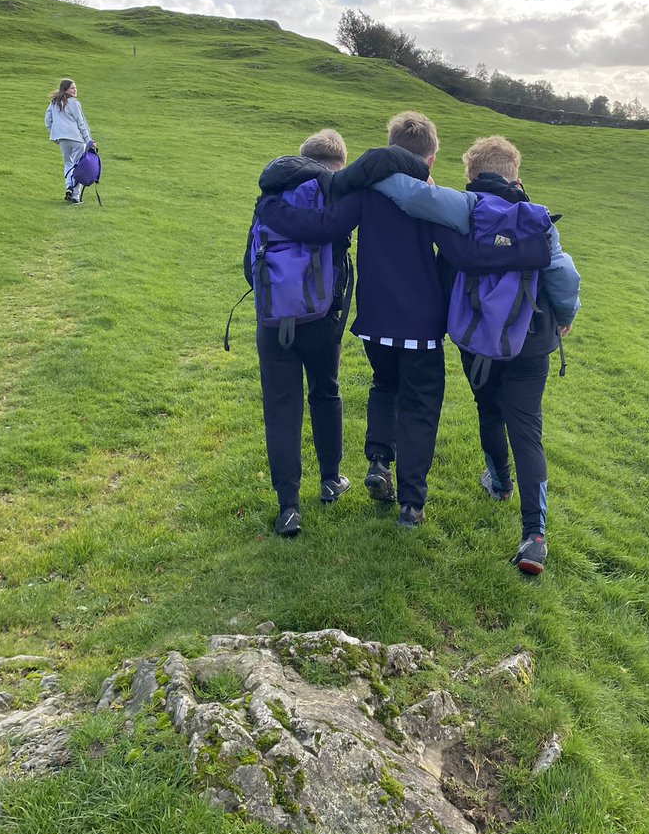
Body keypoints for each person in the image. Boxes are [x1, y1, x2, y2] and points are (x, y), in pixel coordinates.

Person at [254, 113, 550, 530]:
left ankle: (378, 461)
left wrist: (269, 208)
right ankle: (411, 504)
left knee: (384, 384)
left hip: (375, 319)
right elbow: (463, 255)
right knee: (421, 407)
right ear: (430, 160)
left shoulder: (366, 193)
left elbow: (322, 226)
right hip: (422, 324)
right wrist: (530, 253)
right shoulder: (433, 201)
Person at [373, 134, 580, 575]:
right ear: (515, 175)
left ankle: (499, 481)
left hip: (478, 340)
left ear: (471, 173)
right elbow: (564, 275)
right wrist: (565, 316)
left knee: (489, 411)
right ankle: (534, 535)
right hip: (532, 340)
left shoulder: (464, 208)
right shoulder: (538, 219)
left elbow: (412, 197)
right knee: (527, 431)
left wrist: (366, 171)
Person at [244, 130, 354, 537]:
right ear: (338, 165)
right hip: (320, 321)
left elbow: (249, 266)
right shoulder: (331, 199)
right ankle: (330, 480)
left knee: (281, 408)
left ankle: (288, 506)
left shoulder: (270, 198)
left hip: (273, 322)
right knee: (326, 392)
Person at [44, 78, 95, 204]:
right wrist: (88, 140)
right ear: (65, 89)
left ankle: (69, 187)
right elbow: (81, 122)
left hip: (62, 139)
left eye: (75, 87)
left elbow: (48, 121)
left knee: (68, 163)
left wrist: (55, 135)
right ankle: (76, 196)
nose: (75, 90)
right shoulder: (74, 103)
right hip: (76, 138)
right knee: (78, 165)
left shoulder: (54, 102)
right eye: (72, 88)